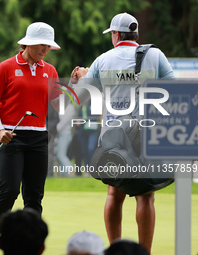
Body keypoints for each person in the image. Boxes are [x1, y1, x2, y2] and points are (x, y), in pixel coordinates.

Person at [72, 12, 174, 254]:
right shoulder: (155, 55)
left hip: (113, 138)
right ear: (135, 34)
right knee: (145, 196)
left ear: (116, 35)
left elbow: (81, 99)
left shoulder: (103, 60)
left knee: (114, 194)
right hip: (146, 136)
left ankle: (115, 250)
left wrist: (81, 79)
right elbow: (172, 90)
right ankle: (144, 252)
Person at [0, 21, 61, 254]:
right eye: (41, 46)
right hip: (10, 136)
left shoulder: (50, 71)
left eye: (48, 46)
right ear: (28, 43)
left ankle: (31, 244)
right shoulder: (6, 67)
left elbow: (62, 103)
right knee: (9, 190)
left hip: (38, 137)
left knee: (34, 195)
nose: (45, 50)